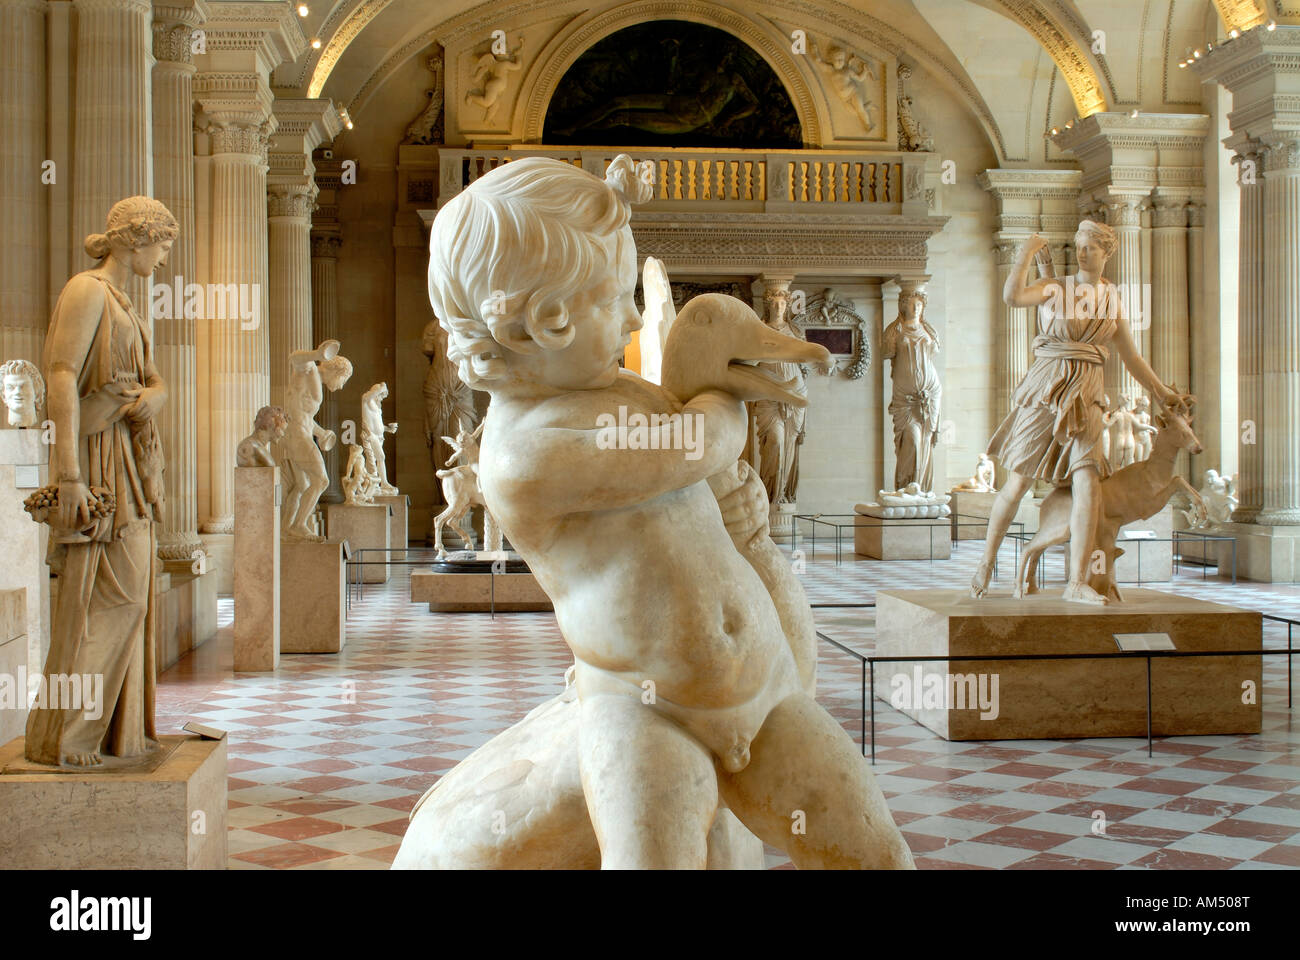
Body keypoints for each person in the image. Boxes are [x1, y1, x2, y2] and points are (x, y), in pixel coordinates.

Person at [426, 154, 912, 869]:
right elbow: (696, 443)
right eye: (615, 297)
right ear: (549, 321)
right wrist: (716, 391)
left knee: (874, 855)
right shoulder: (525, 456)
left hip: (763, 692)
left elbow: (700, 493)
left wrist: (742, 518)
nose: (630, 317)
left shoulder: (623, 392)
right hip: (646, 714)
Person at [26, 196, 176, 766]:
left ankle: (105, 734)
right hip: (96, 461)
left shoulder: (126, 304)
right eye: (162, 244)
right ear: (137, 238)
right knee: (110, 601)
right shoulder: (87, 290)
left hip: (126, 460)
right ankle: (70, 739)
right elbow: (61, 374)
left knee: (126, 601)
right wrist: (67, 476)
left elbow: (153, 378)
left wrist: (156, 395)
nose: (163, 258)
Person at [970, 223, 1190, 605]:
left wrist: (1162, 392)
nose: (1084, 252)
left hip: (1088, 388)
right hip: (1047, 389)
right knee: (1018, 482)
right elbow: (1013, 296)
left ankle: (1076, 581)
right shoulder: (1057, 287)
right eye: (1080, 246)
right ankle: (987, 563)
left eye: (1091, 248)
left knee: (1088, 479)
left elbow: (1132, 356)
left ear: (1107, 254)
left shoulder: (1111, 297)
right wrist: (1026, 252)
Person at [279, 340, 352, 541]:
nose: (342, 385)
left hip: (299, 431)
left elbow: (305, 417)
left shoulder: (314, 384)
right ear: (337, 372)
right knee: (322, 481)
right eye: (344, 380)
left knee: (302, 485)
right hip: (297, 435)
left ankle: (287, 528)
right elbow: (294, 357)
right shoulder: (309, 370)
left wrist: (321, 433)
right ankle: (300, 524)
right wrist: (318, 354)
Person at [881, 289, 941, 492]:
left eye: (919, 304)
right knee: (911, 442)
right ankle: (905, 487)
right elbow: (886, 352)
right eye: (912, 304)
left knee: (924, 443)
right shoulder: (895, 330)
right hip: (904, 400)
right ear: (903, 306)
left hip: (930, 394)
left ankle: (921, 490)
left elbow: (934, 353)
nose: (916, 308)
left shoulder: (928, 329)